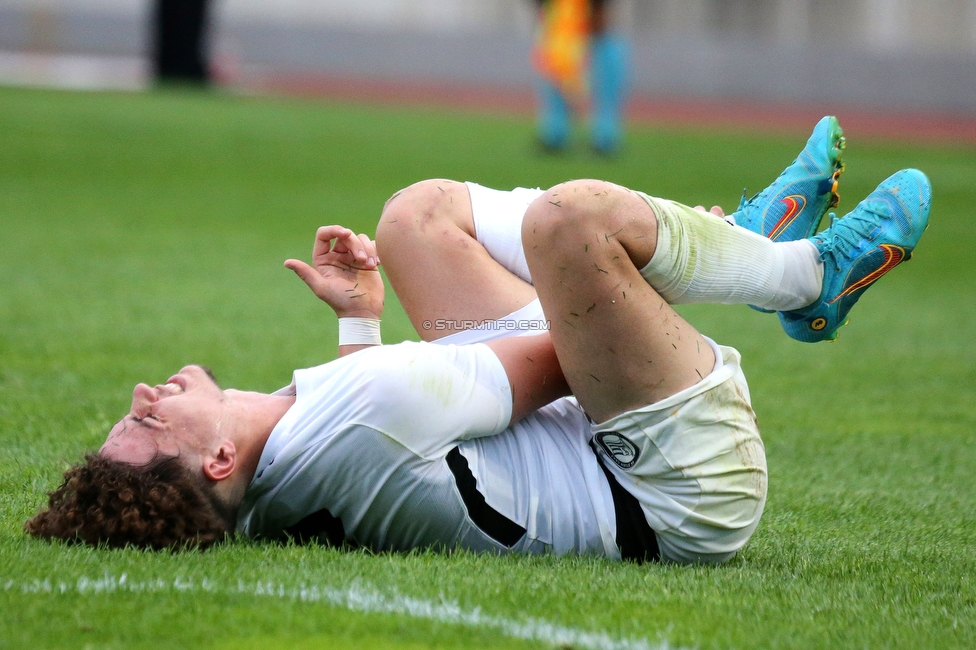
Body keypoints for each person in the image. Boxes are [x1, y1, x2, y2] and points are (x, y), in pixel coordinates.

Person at [24, 118, 930, 563]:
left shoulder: (280, 475)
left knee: (415, 220)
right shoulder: (355, 416)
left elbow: (393, 437)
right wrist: (637, 259)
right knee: (571, 225)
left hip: (604, 441)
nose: (141, 401)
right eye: (146, 430)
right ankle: (801, 276)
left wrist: (358, 318)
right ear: (219, 459)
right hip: (680, 488)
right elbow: (560, 352)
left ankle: (748, 243)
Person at [532, 0, 629, 153]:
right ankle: (555, 132)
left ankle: (605, 135)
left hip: (594, 31)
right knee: (555, 72)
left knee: (605, 72)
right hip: (561, 32)